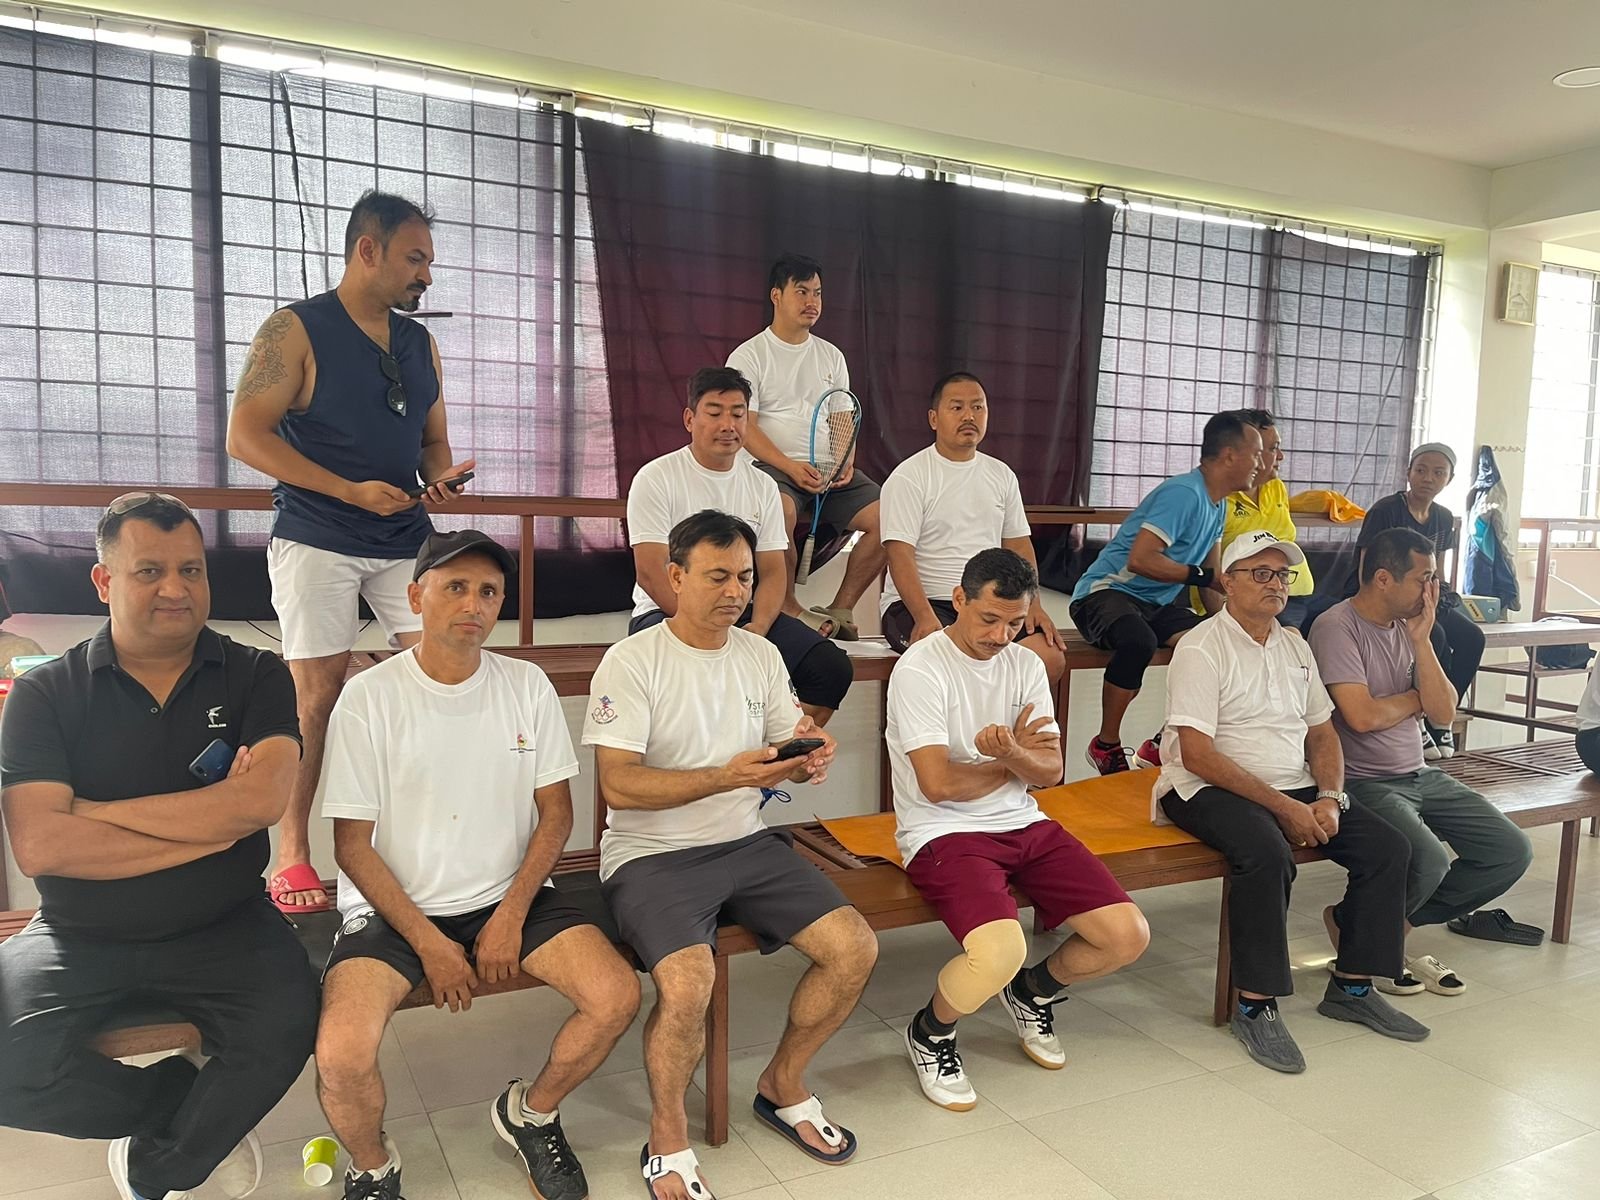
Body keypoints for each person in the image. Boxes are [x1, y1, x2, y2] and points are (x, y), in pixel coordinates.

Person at [0, 492, 319, 1200]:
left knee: (288, 1024)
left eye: (190, 570)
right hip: (78, 931)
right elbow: (42, 845)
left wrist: (95, 815)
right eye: (150, 571)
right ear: (104, 580)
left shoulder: (257, 673)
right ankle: (170, 1106)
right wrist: (216, 826)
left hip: (228, 923)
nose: (176, 588)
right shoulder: (45, 693)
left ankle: (157, 1169)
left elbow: (261, 803)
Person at [311, 529, 638, 1200]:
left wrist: (511, 915)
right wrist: (430, 943)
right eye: (455, 587)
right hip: (394, 910)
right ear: (415, 597)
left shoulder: (526, 685)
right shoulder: (369, 697)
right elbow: (351, 848)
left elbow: (556, 815)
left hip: (507, 895)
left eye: (489, 591)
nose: (474, 603)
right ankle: (373, 1166)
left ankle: (531, 1113)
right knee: (341, 1055)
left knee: (616, 997)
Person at [583, 510, 879, 1200]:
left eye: (745, 577)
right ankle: (666, 1131)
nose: (736, 591)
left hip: (746, 840)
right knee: (689, 984)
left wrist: (809, 754)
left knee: (854, 949)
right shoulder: (632, 660)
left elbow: (783, 743)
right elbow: (618, 786)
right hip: (651, 854)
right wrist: (725, 776)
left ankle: (783, 1083)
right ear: (675, 577)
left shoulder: (759, 654)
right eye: (717, 576)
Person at [226, 190, 475, 914]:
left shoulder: (419, 344)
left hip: (403, 535)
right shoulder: (293, 329)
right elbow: (246, 436)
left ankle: (422, 844)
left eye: (428, 260)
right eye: (415, 258)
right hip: (316, 534)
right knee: (316, 695)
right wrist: (346, 490)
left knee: (441, 675)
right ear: (368, 250)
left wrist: (440, 479)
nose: (426, 275)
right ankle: (292, 854)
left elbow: (432, 441)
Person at [1155, 530, 1426, 1073]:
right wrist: (1285, 809)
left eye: (1282, 575)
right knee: (1266, 853)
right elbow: (1198, 754)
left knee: (1388, 848)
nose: (1275, 584)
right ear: (1228, 582)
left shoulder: (1295, 645)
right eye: (1261, 573)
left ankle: (1351, 988)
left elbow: (1323, 733)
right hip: (1204, 786)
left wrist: (1328, 797)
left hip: (1292, 782)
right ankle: (1254, 1005)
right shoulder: (1201, 647)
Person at [888, 548, 1148, 1109]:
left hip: (1024, 821)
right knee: (998, 952)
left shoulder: (1025, 665)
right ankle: (930, 1032)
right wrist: (1012, 760)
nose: (1001, 636)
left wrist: (1012, 758)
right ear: (959, 599)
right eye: (989, 619)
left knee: (1127, 936)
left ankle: (1032, 992)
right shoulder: (920, 669)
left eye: (1014, 623)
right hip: (943, 831)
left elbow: (1050, 771)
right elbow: (937, 785)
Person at [1311, 527, 1535, 989]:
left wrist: (1421, 642)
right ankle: (1371, 945)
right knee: (1428, 859)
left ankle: (1375, 928)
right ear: (1383, 579)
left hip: (1419, 774)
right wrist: (1415, 699)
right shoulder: (1336, 627)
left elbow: (1444, 712)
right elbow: (1362, 716)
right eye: (1424, 578)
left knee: (1509, 851)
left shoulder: (1411, 629)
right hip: (1364, 781)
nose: (1433, 589)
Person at [627, 366, 852, 724]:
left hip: (740, 612)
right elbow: (651, 572)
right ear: (689, 419)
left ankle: (770, 749)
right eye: (714, 413)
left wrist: (757, 630)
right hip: (668, 614)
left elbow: (773, 572)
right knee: (703, 681)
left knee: (830, 669)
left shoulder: (762, 486)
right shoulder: (656, 478)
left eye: (737, 414)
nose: (727, 425)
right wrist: (710, 631)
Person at [1069, 410, 1263, 775]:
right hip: (1104, 593)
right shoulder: (1184, 494)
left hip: (1153, 605)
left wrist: (1227, 624)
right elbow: (1141, 559)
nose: (1261, 464)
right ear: (1229, 455)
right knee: (1138, 641)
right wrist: (1202, 576)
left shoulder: (1219, 504)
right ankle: (1105, 745)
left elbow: (1213, 580)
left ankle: (1160, 743)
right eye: (1256, 454)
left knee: (1214, 645)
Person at [726, 253, 886, 640]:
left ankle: (841, 607)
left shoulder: (831, 355)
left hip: (827, 471)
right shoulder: (749, 355)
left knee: (893, 517)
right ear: (776, 296)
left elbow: (842, 418)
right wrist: (789, 465)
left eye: (817, 293)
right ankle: (787, 607)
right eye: (802, 292)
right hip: (771, 469)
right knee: (779, 510)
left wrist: (844, 460)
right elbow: (746, 427)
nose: (812, 301)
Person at [879, 373, 1066, 688]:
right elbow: (899, 555)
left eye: (978, 407)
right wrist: (924, 616)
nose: (969, 416)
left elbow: (1019, 547)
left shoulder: (1001, 475)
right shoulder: (909, 477)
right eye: (957, 407)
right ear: (934, 419)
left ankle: (1003, 722)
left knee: (1049, 656)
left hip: (990, 603)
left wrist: (1033, 604)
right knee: (958, 660)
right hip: (924, 605)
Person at [1348, 442, 1484, 759]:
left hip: (1424, 594)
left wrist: (1437, 599)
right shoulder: (1385, 511)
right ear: (1408, 472)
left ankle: (1440, 718)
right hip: (1386, 596)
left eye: (1438, 472)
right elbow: (1367, 568)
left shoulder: (1443, 517)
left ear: (1449, 479)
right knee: (1436, 636)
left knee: (1472, 638)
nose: (1428, 478)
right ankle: (1418, 718)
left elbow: (1438, 569)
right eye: (1421, 470)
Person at [1208, 408, 1313, 630]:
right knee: (1291, 638)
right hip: (1249, 601)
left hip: (1296, 593)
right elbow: (1209, 572)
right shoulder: (1216, 497)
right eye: (1273, 448)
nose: (1281, 456)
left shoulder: (1276, 486)